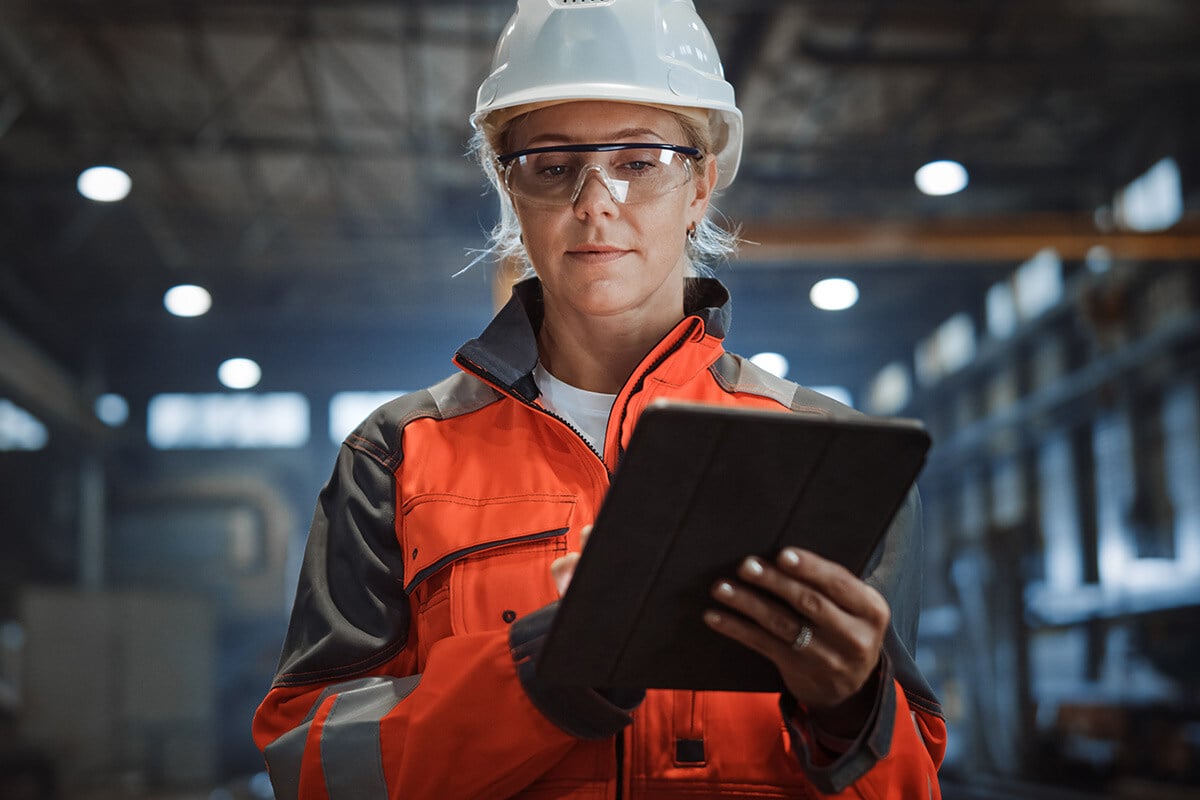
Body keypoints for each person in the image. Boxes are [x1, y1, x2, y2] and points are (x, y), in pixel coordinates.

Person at [252, 1, 947, 797]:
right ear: (512, 192)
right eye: (552, 166)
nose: (595, 201)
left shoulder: (829, 453)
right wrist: (537, 679)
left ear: (701, 185)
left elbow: (913, 783)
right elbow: (312, 766)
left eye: (641, 160)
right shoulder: (398, 454)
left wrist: (850, 710)